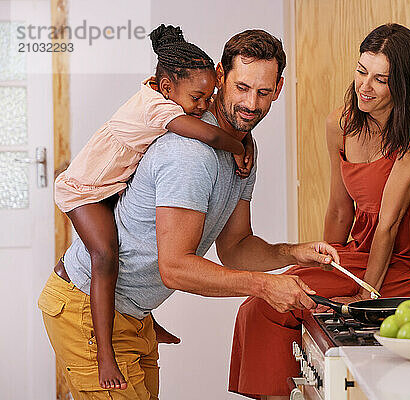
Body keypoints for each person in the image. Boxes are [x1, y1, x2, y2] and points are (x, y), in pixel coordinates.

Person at [39, 29, 337, 400]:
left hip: (133, 315)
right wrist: (264, 286)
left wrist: (294, 253)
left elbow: (236, 247)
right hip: (86, 309)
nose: (251, 104)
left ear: (278, 89)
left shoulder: (243, 147)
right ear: (220, 77)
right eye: (241, 88)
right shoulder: (190, 155)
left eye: (263, 92)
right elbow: (175, 267)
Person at [229, 23, 410, 399]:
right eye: (362, 71)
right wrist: (321, 264)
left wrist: (368, 294)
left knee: (276, 305)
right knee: (261, 306)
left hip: (407, 259)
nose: (365, 85)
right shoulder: (341, 123)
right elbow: (339, 211)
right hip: (360, 252)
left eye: (381, 79)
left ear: (405, 84)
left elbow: (390, 222)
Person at [51, 24, 256, 391]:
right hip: (82, 190)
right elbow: (209, 134)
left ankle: (138, 314)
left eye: (209, 97)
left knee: (134, 231)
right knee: (105, 253)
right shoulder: (160, 111)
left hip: (110, 186)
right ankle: (105, 355)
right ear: (166, 88)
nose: (203, 106)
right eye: (198, 97)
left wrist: (247, 138)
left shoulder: (171, 97)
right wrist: (242, 146)